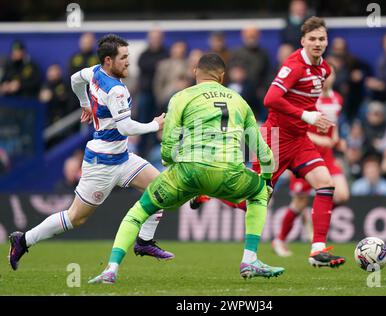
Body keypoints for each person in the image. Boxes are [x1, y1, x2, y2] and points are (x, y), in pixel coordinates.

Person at [88, 53, 284, 284]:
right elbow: (264, 152)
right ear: (222, 76)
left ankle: (111, 269)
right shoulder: (239, 101)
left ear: (195, 72)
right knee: (259, 192)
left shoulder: (181, 97)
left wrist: (171, 167)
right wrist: (268, 181)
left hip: (186, 172)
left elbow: (168, 144)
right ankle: (250, 259)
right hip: (228, 173)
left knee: (138, 212)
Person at [8, 34, 174, 271]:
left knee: (160, 188)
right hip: (102, 163)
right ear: (109, 60)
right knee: (76, 217)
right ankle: (23, 240)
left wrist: (84, 102)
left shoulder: (95, 71)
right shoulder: (115, 90)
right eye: (124, 57)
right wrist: (155, 125)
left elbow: (76, 79)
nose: (128, 62)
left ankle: (144, 241)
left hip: (122, 156)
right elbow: (125, 127)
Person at [192, 17, 345, 268]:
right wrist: (307, 116)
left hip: (299, 140)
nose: (318, 43)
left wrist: (313, 120)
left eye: (322, 39)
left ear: (326, 41)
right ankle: (208, 190)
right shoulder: (294, 65)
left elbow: (304, 101)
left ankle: (317, 249)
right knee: (251, 201)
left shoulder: (324, 70)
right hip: (274, 139)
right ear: (303, 41)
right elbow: (270, 99)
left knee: (326, 184)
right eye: (313, 39)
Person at [272, 69, 350, 257]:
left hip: (327, 156)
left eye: (330, 75)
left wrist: (338, 139)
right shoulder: (308, 98)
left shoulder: (337, 99)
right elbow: (299, 127)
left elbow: (334, 124)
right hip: (305, 153)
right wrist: (318, 139)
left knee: (342, 195)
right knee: (299, 202)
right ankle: (280, 240)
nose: (326, 79)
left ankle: (313, 217)